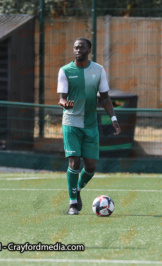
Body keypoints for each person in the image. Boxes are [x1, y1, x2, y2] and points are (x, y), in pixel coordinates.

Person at [57, 37, 121, 215]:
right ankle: (72, 204)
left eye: (81, 47)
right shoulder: (65, 71)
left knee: (91, 166)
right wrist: (64, 104)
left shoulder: (98, 70)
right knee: (74, 161)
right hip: (71, 122)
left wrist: (114, 119)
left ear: (89, 50)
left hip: (91, 124)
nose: (78, 50)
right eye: (76, 47)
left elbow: (106, 97)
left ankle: (76, 191)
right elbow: (61, 98)